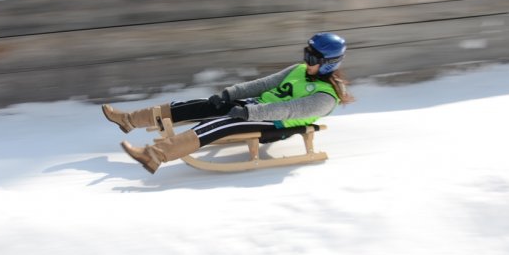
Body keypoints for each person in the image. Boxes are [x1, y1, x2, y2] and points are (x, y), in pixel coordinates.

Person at [102, 32, 354, 174]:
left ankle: (154, 156)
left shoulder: (325, 97)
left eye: (311, 57)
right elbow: (263, 84)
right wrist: (229, 94)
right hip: (255, 106)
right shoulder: (299, 70)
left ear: (328, 62)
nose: (305, 59)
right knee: (201, 104)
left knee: (223, 123)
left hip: (275, 124)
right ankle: (129, 120)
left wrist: (246, 112)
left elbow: (288, 110)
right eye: (306, 53)